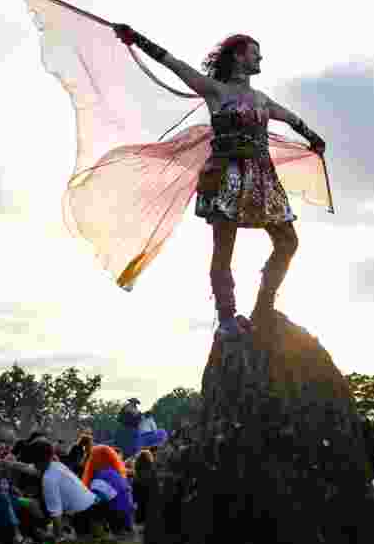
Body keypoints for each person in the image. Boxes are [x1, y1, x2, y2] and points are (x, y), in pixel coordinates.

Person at [111, 25, 327, 339]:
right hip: (226, 175)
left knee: (288, 242)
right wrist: (137, 39)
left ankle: (263, 308)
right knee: (224, 249)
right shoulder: (215, 90)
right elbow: (174, 64)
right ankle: (226, 319)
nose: (260, 59)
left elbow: (292, 119)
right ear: (239, 56)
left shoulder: (261, 98)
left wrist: (315, 139)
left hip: (263, 178)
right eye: (255, 53)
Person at [24, 441, 109, 538]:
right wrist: (8, 464)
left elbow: (56, 515)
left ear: (36, 460)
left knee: (42, 532)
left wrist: (57, 538)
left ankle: (82, 533)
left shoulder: (48, 479)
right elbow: (29, 468)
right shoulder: (57, 465)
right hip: (96, 506)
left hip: (85, 516)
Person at [81, 444, 136, 535]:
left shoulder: (100, 478)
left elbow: (94, 501)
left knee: (91, 506)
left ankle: (96, 532)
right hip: (127, 519)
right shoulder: (114, 473)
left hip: (118, 521)